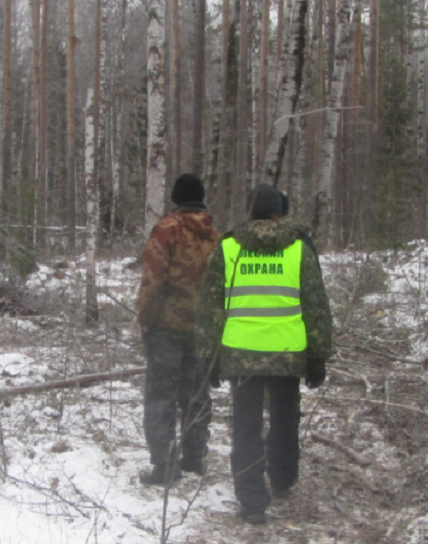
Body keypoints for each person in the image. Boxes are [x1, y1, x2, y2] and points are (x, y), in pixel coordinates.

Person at [195, 183, 333, 524]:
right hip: (287, 353)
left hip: (241, 353)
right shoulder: (299, 249)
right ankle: (283, 479)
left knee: (246, 426)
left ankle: (252, 500)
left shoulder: (228, 247)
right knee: (285, 419)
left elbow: (210, 307)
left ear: (250, 211)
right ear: (278, 212)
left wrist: (208, 356)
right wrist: (318, 356)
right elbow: (316, 305)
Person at [136, 174, 220, 485]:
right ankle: (195, 457)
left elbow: (153, 281)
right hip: (201, 328)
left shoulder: (166, 229)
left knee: (161, 393)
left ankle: (164, 465)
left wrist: (146, 319)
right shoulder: (216, 236)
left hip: (166, 327)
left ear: (175, 197)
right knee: (196, 392)